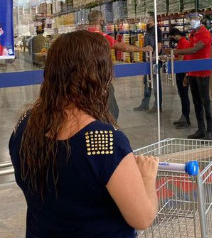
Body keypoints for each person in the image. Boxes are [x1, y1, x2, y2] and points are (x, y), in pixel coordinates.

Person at [9, 30, 159, 237]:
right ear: (100, 77)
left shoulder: (25, 125)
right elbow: (143, 218)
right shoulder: (105, 142)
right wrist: (147, 176)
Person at [88, 10, 152, 120]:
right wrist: (144, 49)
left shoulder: (83, 36)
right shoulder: (101, 37)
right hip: (101, 79)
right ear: (101, 21)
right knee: (113, 111)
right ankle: (109, 129)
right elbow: (124, 47)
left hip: (88, 79)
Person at [168, 13, 212, 140]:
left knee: (205, 101)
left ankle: (210, 131)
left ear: (200, 20)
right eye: (190, 19)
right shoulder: (193, 34)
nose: (191, 21)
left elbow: (194, 49)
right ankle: (201, 129)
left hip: (203, 72)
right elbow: (190, 55)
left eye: (193, 19)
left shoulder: (205, 33)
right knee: (196, 102)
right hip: (193, 72)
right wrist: (187, 74)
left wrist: (175, 51)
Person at [134, 14, 163, 113]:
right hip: (147, 60)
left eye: (147, 18)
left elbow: (159, 46)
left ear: (152, 19)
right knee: (146, 83)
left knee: (155, 84)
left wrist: (153, 59)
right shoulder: (147, 29)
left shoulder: (157, 30)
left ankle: (157, 106)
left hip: (153, 61)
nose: (145, 19)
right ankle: (145, 104)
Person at [169, 28, 191, 129]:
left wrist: (169, 59)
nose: (173, 39)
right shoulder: (181, 42)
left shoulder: (184, 43)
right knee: (182, 95)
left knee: (184, 95)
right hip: (180, 71)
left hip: (183, 72)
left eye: (172, 37)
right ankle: (183, 116)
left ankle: (186, 119)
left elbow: (180, 59)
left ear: (176, 35)